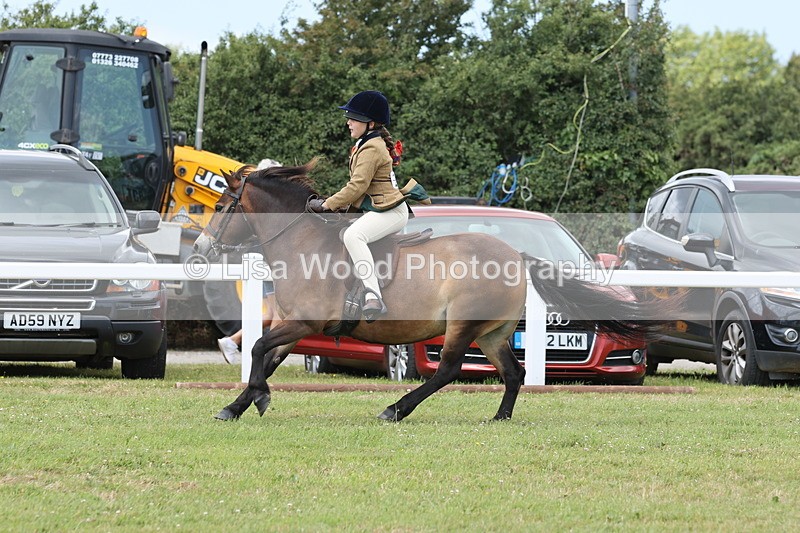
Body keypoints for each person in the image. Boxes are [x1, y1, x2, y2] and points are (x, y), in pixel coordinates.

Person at [308, 90, 409, 322]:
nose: (348, 122)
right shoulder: (365, 144)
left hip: (390, 211)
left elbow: (357, 186)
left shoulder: (372, 147)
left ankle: (373, 295)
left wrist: (327, 204)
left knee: (353, 236)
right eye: (349, 117)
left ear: (370, 123)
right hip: (377, 208)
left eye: (353, 118)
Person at [217, 157, 282, 364]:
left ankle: (232, 341)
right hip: (270, 262)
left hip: (263, 260)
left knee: (271, 314)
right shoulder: (268, 206)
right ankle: (266, 359)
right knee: (279, 315)